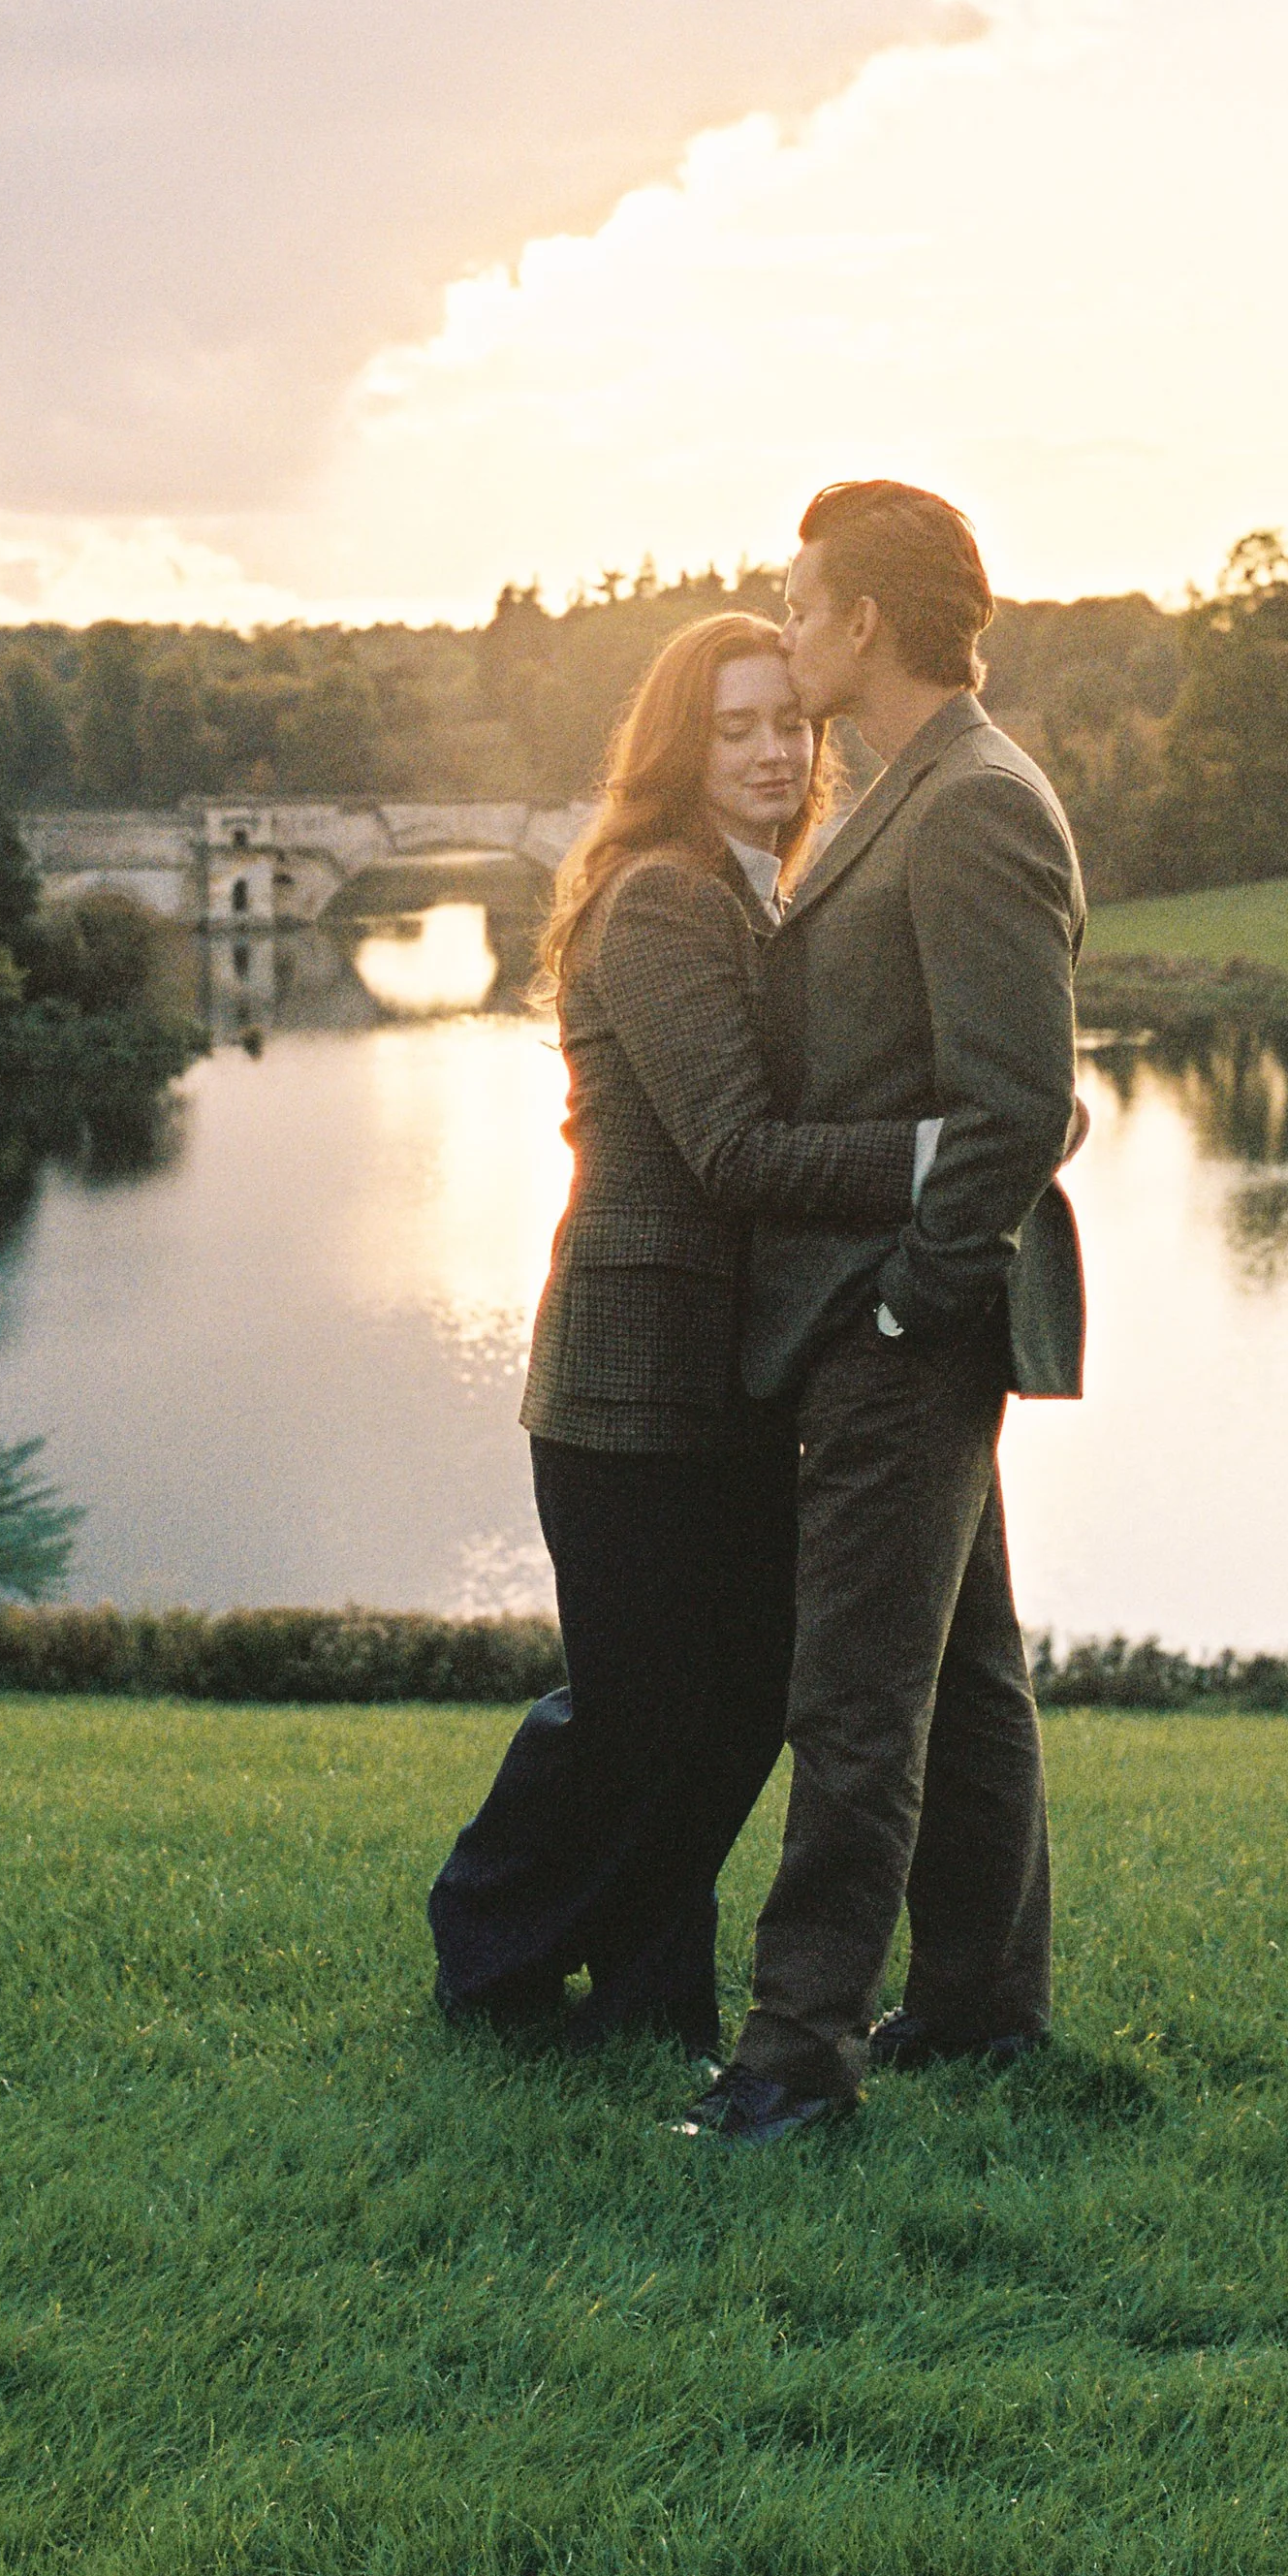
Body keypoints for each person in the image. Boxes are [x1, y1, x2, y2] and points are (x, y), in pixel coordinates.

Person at [427, 611, 924, 2057]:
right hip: (630, 1373)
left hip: (723, 1375)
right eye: (739, 727)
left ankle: (650, 2004)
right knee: (647, 1714)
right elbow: (737, 1151)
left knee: (708, 1709)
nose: (777, 749)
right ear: (681, 747)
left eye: (791, 722)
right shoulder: (662, 898)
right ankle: (487, 1940)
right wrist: (948, 1152)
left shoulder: (744, 889)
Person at [678, 480, 1085, 2147]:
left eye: (798, 602)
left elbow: (1014, 1101)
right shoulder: (917, 785)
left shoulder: (975, 802)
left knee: (853, 1691)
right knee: (969, 1669)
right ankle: (985, 2001)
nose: (783, 629)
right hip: (898, 1314)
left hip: (902, 1324)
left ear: (865, 622)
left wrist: (913, 1316)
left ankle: (794, 2060)